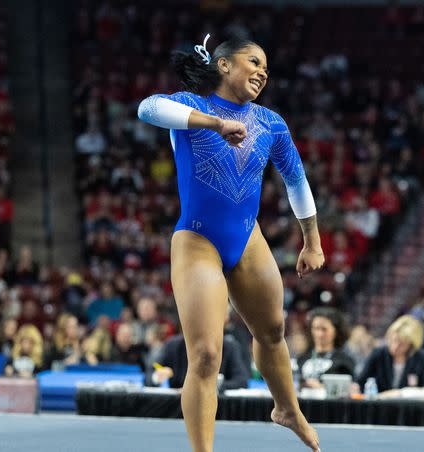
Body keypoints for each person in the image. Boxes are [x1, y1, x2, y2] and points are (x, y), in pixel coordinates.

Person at [137, 34, 323, 452]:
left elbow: (296, 180)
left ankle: (286, 408)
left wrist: (311, 239)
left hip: (248, 237)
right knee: (204, 356)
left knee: (272, 329)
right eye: (254, 61)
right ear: (223, 64)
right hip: (198, 238)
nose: (262, 72)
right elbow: (147, 107)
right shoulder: (192, 106)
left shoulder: (271, 122)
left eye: (267, 69)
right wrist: (216, 124)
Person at [355, 315, 424, 393]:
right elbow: (360, 382)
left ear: (411, 346)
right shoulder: (378, 354)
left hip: (410, 404)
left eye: (402, 344)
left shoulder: (422, 358)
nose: (395, 346)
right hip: (380, 403)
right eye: (394, 340)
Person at [152, 332, 248, 392]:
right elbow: (150, 374)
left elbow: (242, 380)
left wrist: (215, 385)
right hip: (177, 405)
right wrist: (157, 376)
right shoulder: (172, 345)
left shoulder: (229, 346)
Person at [296, 307, 355, 388]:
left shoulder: (344, 362)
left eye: (324, 329)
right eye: (316, 328)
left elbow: (348, 389)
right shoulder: (301, 359)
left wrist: (321, 387)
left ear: (336, 331)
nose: (320, 334)